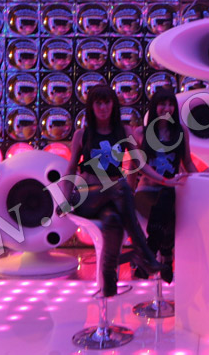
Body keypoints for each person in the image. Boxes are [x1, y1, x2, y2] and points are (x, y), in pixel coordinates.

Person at [64, 85, 166, 297]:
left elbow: (140, 164)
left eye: (107, 102)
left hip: (111, 198)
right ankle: (143, 252)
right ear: (91, 106)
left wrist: (165, 180)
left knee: (113, 220)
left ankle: (109, 283)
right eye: (98, 103)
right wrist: (64, 200)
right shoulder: (82, 134)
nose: (103, 107)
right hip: (87, 196)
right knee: (121, 187)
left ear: (113, 104)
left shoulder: (124, 132)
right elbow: (71, 168)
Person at [133, 87, 197, 283]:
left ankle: (150, 254)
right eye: (162, 104)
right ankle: (166, 256)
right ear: (154, 107)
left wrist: (203, 179)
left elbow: (187, 162)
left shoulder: (181, 131)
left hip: (170, 192)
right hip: (146, 192)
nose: (167, 108)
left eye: (170, 104)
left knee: (168, 197)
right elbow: (135, 167)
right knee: (167, 201)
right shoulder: (140, 133)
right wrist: (127, 195)